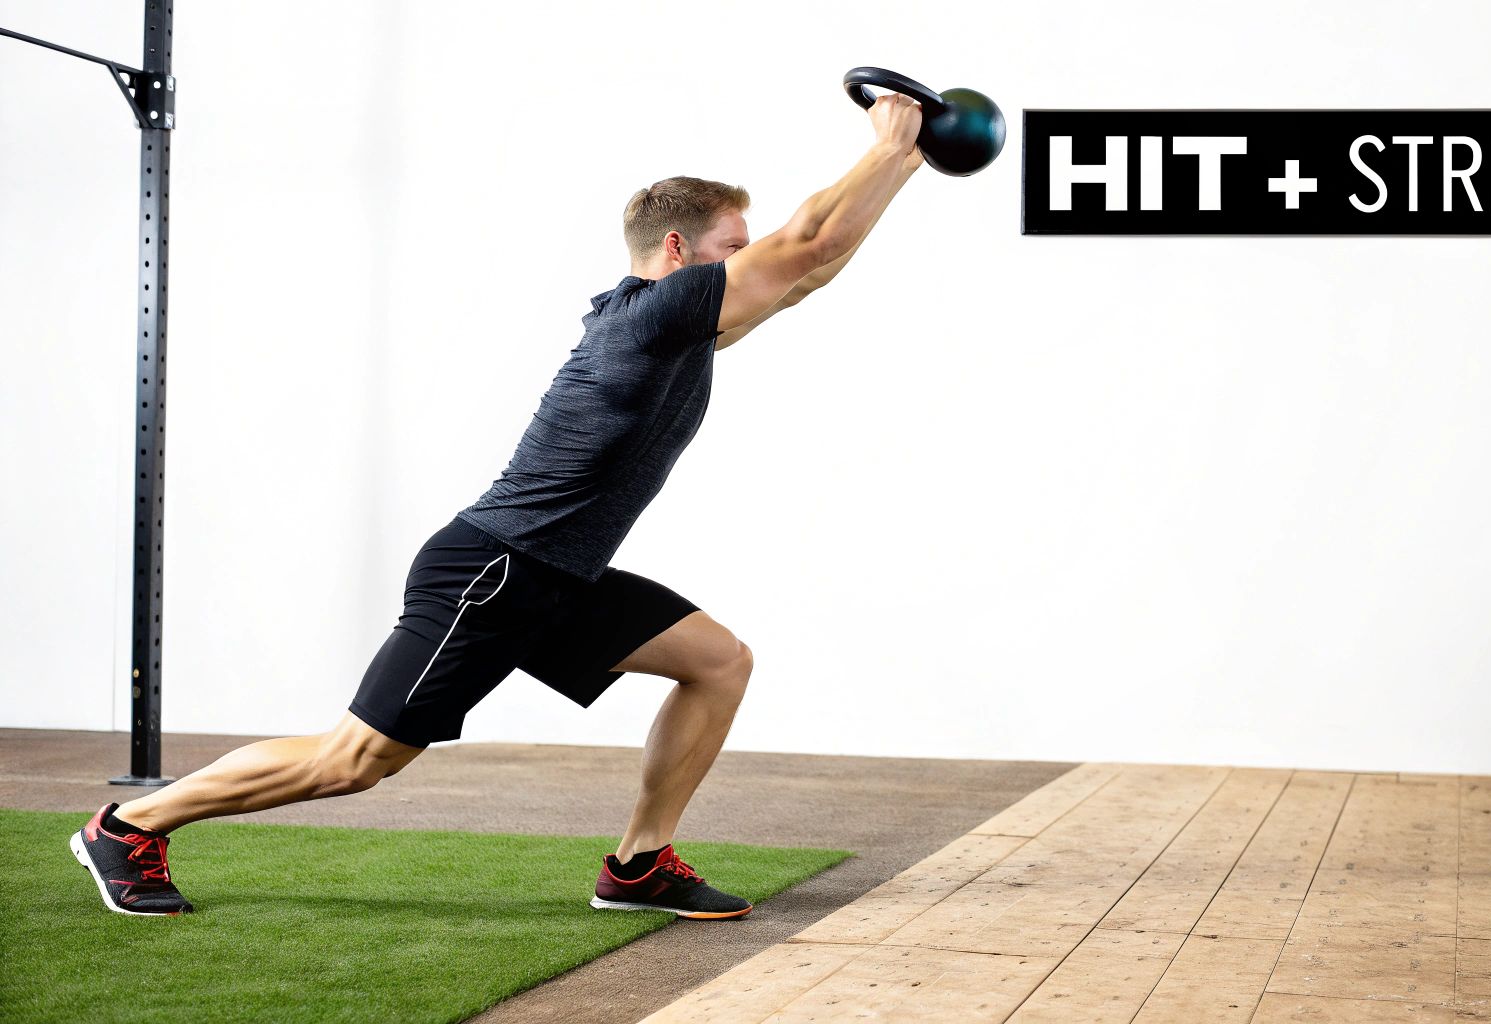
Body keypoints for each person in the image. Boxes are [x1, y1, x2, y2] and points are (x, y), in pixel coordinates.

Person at [71, 94, 927, 919]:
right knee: (354, 761)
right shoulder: (653, 316)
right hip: (494, 569)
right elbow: (807, 243)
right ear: (676, 249)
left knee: (718, 662)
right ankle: (129, 826)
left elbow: (806, 275)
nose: (750, 259)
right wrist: (886, 146)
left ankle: (637, 865)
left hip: (561, 576)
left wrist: (907, 165)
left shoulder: (681, 327)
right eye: (734, 246)